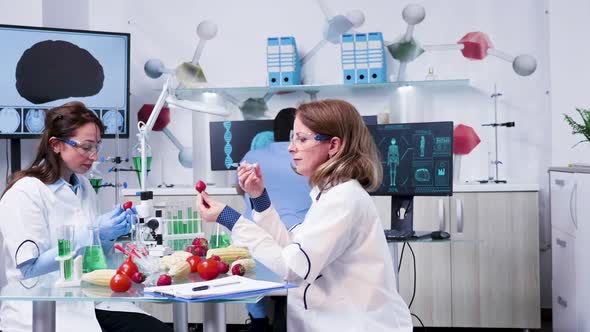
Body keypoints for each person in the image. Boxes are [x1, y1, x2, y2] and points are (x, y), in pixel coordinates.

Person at [197, 99, 412, 331]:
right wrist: (259, 197)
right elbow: (294, 246)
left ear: (333, 146)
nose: (291, 148)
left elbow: (294, 268)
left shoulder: (343, 199)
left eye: (302, 139)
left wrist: (227, 217)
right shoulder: (329, 194)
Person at [0, 102, 172, 332]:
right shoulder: (25, 192)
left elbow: (92, 256)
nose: (94, 156)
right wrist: (93, 233)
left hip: (86, 302)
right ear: (56, 145)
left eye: (96, 147)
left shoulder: (83, 186)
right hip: (40, 311)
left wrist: (111, 235)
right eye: (86, 147)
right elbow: (29, 268)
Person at [238, 108, 311, 331]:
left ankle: (259, 321)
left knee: (247, 266)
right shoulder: (308, 159)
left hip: (257, 245)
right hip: (302, 246)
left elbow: (241, 188)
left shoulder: (252, 156)